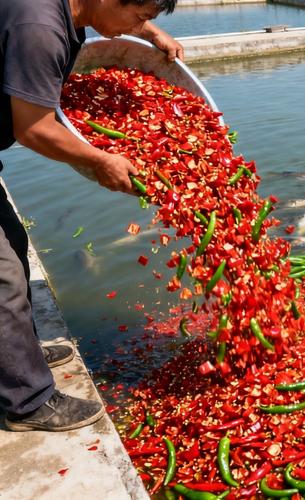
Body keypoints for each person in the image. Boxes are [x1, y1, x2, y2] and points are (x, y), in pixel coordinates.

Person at [0, 0, 183, 432]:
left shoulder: (69, 10)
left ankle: (16, 353)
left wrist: (152, 35)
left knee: (13, 241)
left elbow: (117, 18)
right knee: (2, 277)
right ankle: (27, 403)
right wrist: (101, 160)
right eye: (140, 15)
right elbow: (34, 128)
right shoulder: (39, 26)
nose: (141, 25)